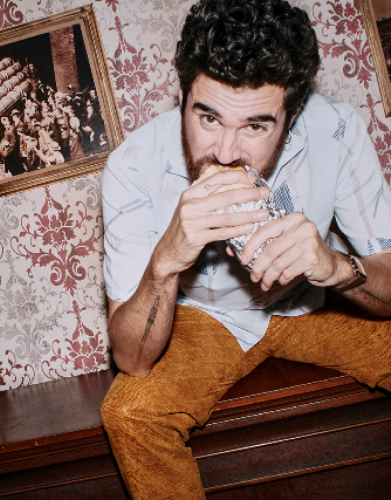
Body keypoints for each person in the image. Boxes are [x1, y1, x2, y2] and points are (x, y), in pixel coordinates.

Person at [100, 0, 391, 499]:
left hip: (313, 304)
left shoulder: (335, 129)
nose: (226, 151)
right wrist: (166, 261)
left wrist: (336, 267)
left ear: (291, 116)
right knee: (129, 414)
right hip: (203, 319)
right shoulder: (131, 166)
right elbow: (132, 359)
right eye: (208, 117)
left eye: (256, 125)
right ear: (182, 96)